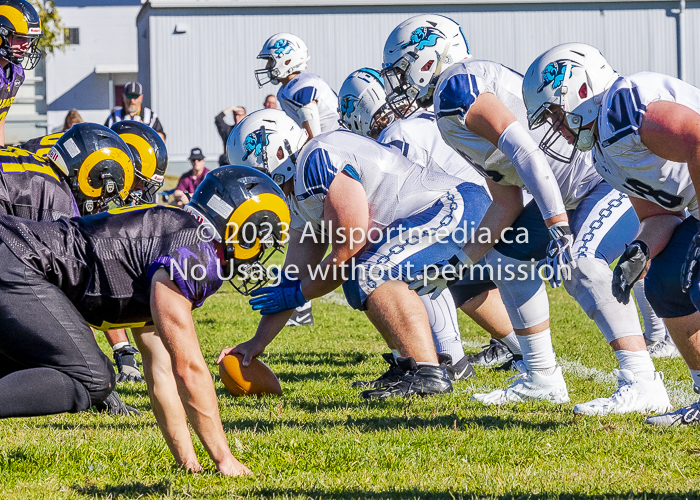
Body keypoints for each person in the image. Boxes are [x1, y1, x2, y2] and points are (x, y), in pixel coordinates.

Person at [382, 14, 670, 415]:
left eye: (400, 68)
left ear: (428, 56)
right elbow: (506, 201)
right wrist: (458, 263)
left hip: (602, 178)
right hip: (572, 192)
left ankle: (642, 380)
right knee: (507, 257)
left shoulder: (456, 86)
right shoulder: (449, 114)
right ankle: (541, 377)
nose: (398, 81)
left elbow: (526, 151)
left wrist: (557, 227)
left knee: (582, 263)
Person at [0, 157, 287, 474]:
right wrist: (224, 458)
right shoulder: (195, 252)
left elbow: (161, 371)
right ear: (237, 226)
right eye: (263, 236)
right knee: (94, 379)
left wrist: (190, 464)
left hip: (16, 258)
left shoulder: (176, 235)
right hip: (18, 262)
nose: (261, 250)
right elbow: (189, 369)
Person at [221, 110, 492, 398]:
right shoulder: (298, 188)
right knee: (362, 273)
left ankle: (426, 372)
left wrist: (299, 294)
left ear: (276, 152)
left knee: (366, 272)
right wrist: (257, 342)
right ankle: (410, 365)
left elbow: (348, 248)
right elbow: (295, 275)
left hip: (455, 205)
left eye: (256, 177)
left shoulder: (315, 161)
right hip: (442, 211)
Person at [521, 42, 700, 426]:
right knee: (665, 282)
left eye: (553, 113)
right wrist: (640, 249)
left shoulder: (623, 106)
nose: (556, 127)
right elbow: (662, 215)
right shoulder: (604, 152)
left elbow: (698, 138)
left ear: (579, 90)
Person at [337, 68, 517, 383]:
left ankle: (449, 360)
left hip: (475, 215)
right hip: (500, 214)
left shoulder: (397, 135)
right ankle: (526, 352)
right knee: (465, 285)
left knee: (406, 268)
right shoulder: (426, 120)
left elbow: (407, 203)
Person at [255, 33, 339, 141]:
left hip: (335, 146)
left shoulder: (301, 86)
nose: (267, 67)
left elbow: (314, 138)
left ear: (286, 61)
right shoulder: (285, 90)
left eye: (271, 61)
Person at [0, 0, 42, 146]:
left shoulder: (15, 72)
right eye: (19, 37)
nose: (26, 45)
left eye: (28, 39)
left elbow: (1, 119)